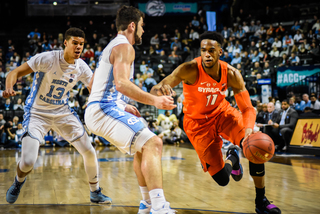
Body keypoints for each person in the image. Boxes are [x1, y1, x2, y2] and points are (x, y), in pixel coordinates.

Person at [151, 31, 281, 214]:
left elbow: (248, 109)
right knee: (222, 179)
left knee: (255, 144)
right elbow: (158, 87)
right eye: (203, 50)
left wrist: (249, 129)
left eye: (212, 50)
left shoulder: (232, 74)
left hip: (223, 114)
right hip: (197, 125)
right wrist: (159, 90)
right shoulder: (189, 68)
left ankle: (261, 201)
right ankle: (233, 158)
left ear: (221, 51)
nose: (207, 54)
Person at [84, 6, 176, 214]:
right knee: (154, 143)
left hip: (102, 107)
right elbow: (122, 84)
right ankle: (160, 207)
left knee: (143, 147)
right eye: (142, 26)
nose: (143, 30)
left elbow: (96, 84)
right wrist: (155, 101)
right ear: (133, 25)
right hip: (103, 109)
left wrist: (123, 105)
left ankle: (147, 204)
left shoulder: (112, 46)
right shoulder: (125, 47)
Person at [4, 27, 111, 204]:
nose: (78, 47)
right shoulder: (47, 58)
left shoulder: (81, 67)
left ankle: (95, 192)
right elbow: (14, 73)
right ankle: (17, 182)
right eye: (75, 43)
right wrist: (9, 87)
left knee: (89, 151)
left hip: (62, 112)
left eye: (81, 44)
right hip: (37, 112)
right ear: (65, 43)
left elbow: (95, 89)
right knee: (28, 161)